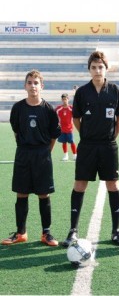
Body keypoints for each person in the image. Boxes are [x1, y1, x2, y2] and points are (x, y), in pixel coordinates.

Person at [62, 51, 119, 247]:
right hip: (88, 146)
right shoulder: (82, 92)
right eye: (93, 67)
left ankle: (116, 231)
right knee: (80, 184)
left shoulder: (116, 90)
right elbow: (76, 118)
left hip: (108, 146)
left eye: (100, 67)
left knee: (113, 185)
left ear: (106, 68)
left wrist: (111, 138)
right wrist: (87, 135)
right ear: (89, 69)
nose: (97, 70)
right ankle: (73, 231)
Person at [1, 70, 61, 246]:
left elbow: (54, 135)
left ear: (42, 86)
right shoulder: (18, 108)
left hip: (42, 154)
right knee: (21, 193)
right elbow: (16, 131)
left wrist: (45, 152)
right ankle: (21, 233)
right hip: (23, 154)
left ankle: (46, 233)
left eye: (36, 82)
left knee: (44, 193)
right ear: (25, 85)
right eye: (30, 82)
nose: (33, 86)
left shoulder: (49, 109)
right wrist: (26, 148)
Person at [55, 93, 77, 161]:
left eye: (66, 99)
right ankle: (65, 155)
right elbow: (53, 116)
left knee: (72, 142)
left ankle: (75, 155)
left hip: (69, 129)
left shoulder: (72, 108)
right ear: (62, 100)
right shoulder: (58, 109)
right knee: (64, 142)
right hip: (61, 129)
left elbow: (77, 116)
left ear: (68, 99)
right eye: (63, 99)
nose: (65, 100)